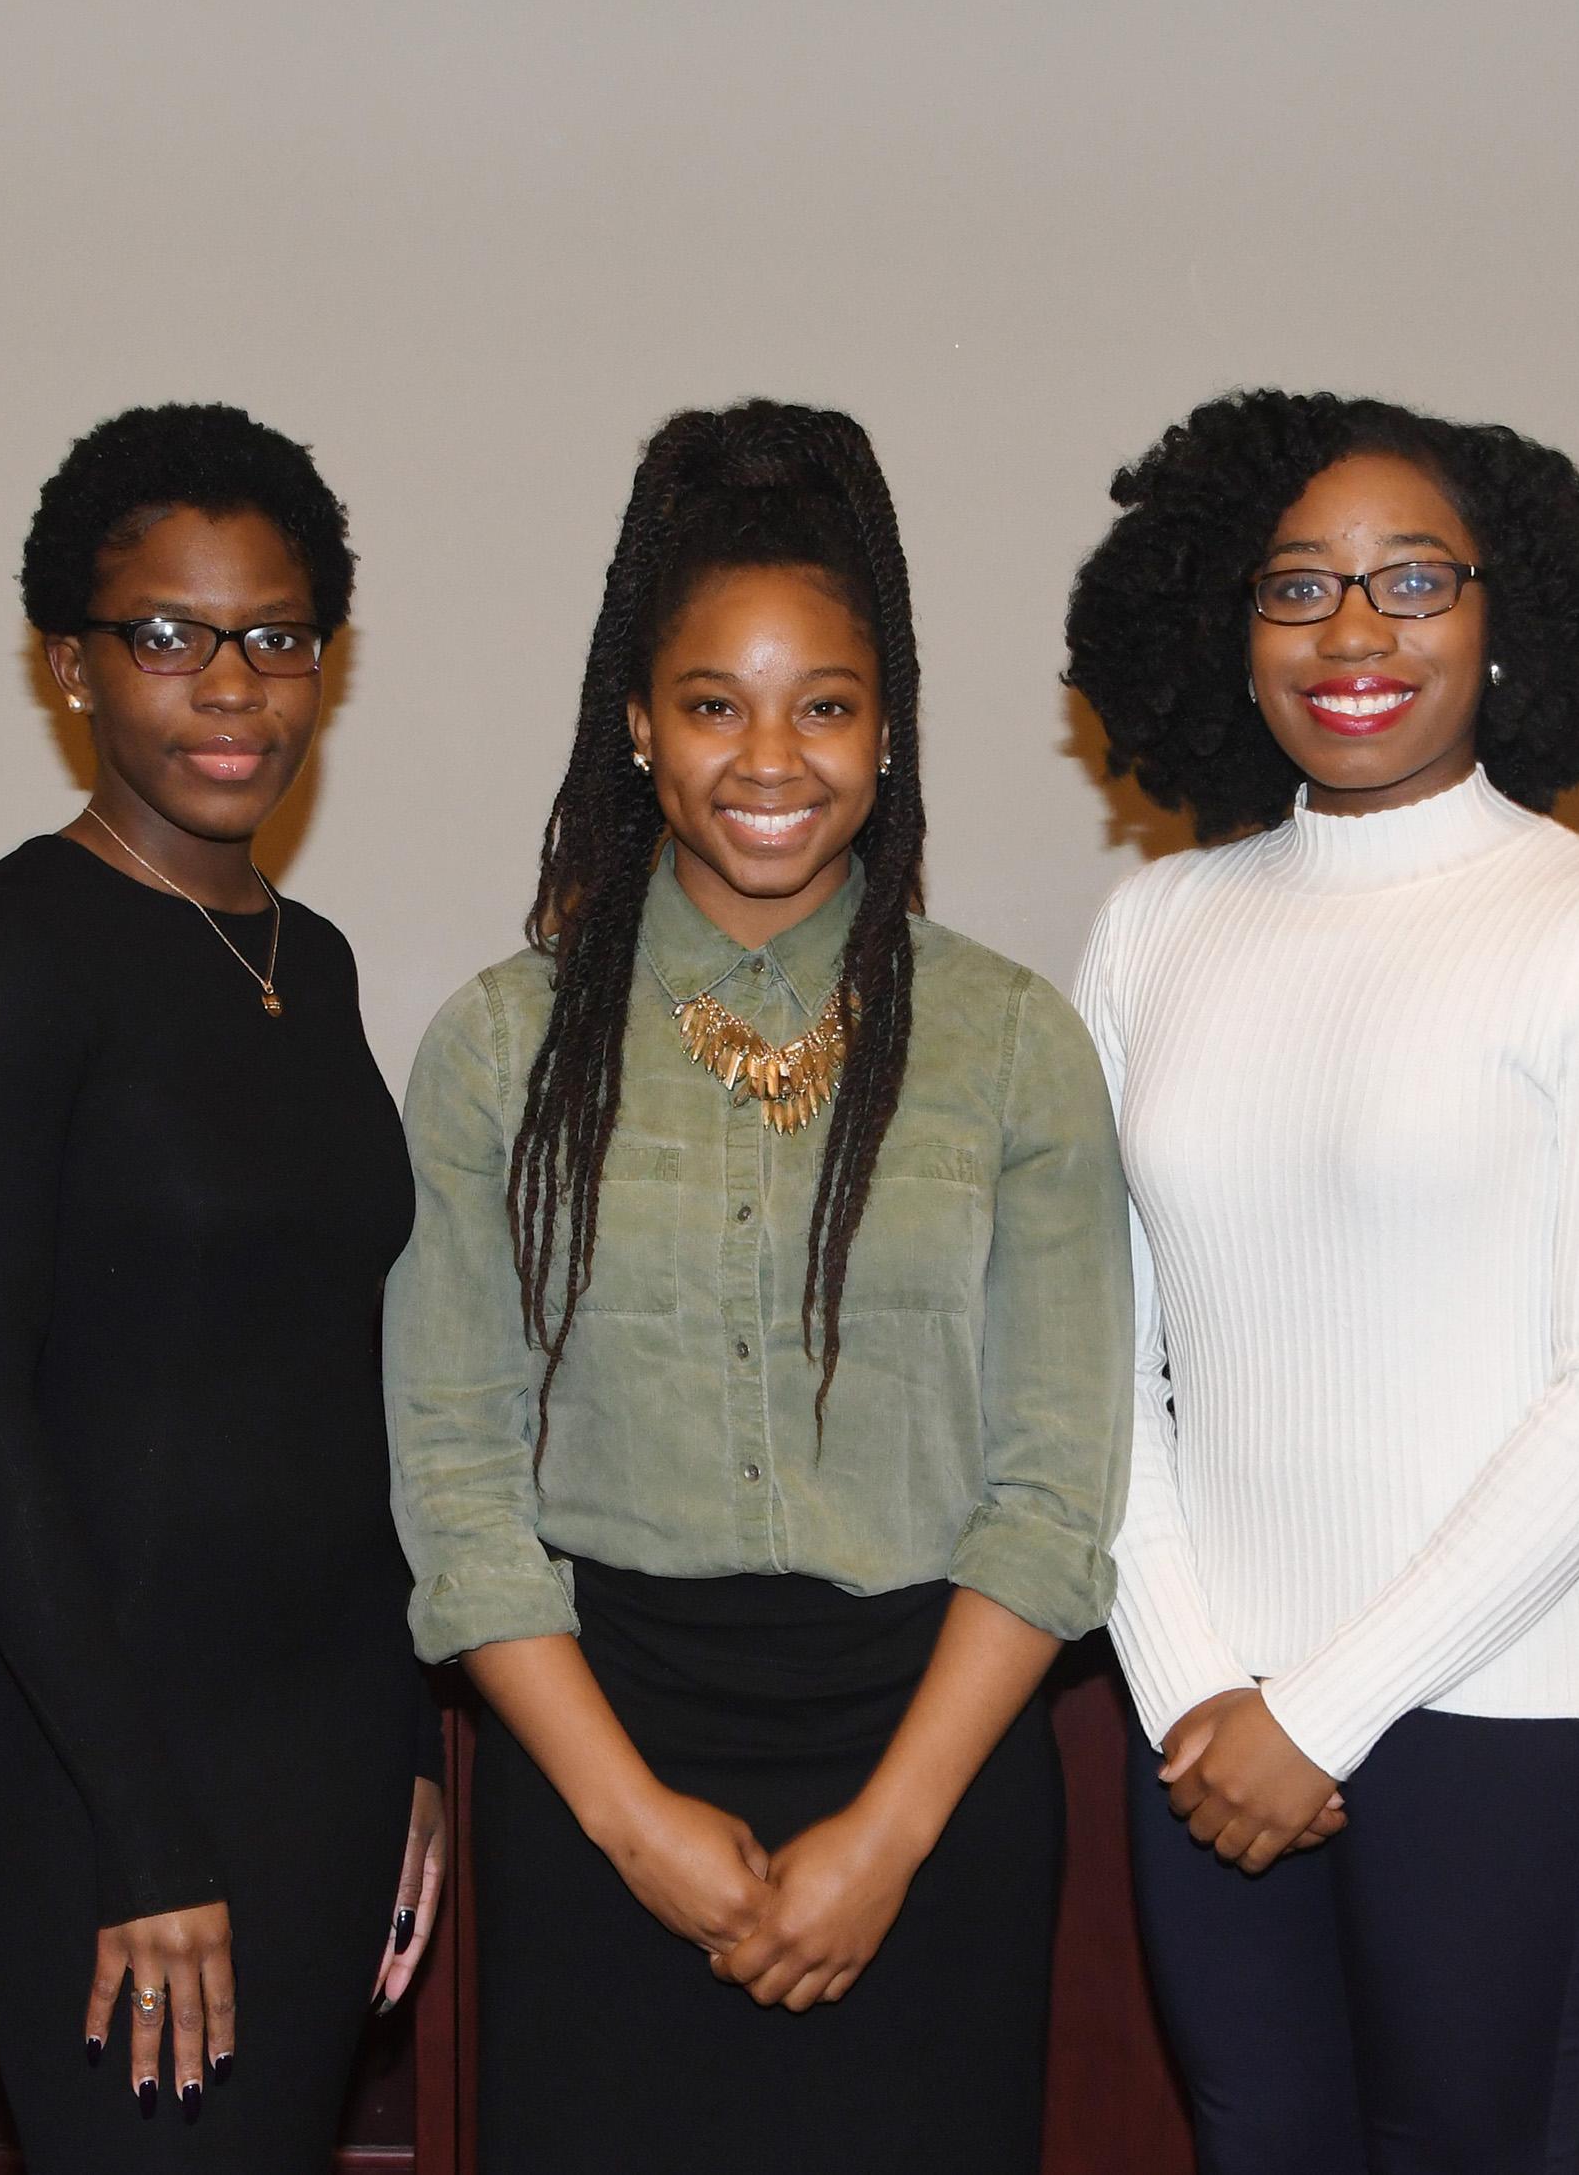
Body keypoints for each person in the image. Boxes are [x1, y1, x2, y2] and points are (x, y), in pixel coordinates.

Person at [382, 401, 1132, 2174]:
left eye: (825, 704)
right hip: (596, 1772)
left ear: (887, 731)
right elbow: (462, 1485)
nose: (767, 755)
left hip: (933, 1787)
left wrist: (889, 1835)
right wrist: (632, 1825)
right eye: (714, 702)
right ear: (639, 725)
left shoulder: (1013, 1043)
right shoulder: (499, 1047)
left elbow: (1053, 1492)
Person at [1059, 392, 1579, 2174]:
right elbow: (1095, 1358)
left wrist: (1318, 1712)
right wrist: (1195, 1682)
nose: (1355, 635)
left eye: (1412, 581)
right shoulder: (1153, 933)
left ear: (1507, 616)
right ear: (1227, 624)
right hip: (1202, 1715)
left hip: (1517, 1716)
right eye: (1300, 589)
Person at [0, 405, 446, 2167]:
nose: (231, 685)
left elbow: (339, 1389)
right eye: (168, 634)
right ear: (70, 663)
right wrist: (142, 1837)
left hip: (329, 1749)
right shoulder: (6, 956)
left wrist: (415, 1743)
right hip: (99, 1765)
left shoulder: (317, 960)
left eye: (278, 636)